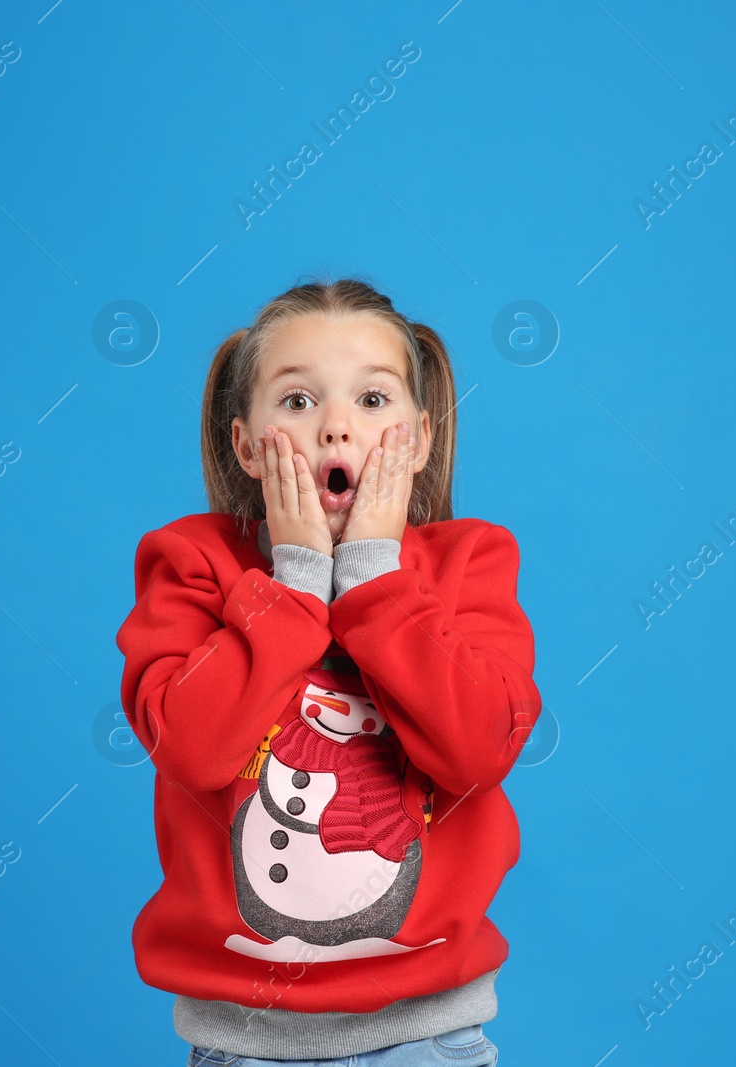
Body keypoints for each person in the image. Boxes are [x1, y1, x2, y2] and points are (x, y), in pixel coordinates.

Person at [115, 276, 540, 1065]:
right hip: (239, 1043)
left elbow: (476, 753)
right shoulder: (191, 564)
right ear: (245, 443)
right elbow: (192, 750)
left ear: (416, 439)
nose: (337, 428)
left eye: (373, 401)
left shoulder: (471, 565)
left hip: (424, 1034)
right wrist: (296, 582)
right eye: (300, 402)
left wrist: (376, 582)